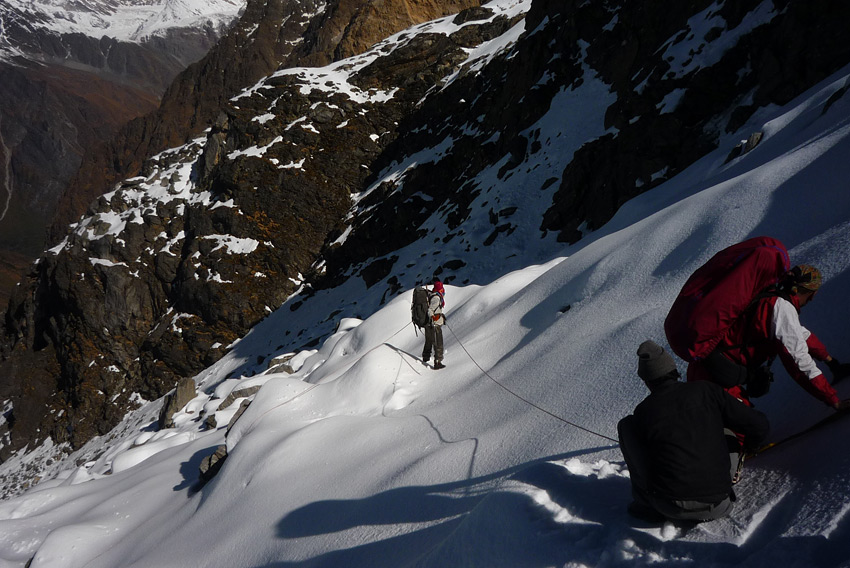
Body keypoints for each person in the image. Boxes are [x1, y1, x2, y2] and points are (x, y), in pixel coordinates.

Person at [618, 340, 769, 523]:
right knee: (727, 430)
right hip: (720, 502)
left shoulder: (643, 412)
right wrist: (752, 446)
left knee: (626, 426)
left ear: (647, 381)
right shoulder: (706, 390)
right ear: (674, 370)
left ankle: (645, 503)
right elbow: (759, 425)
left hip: (669, 507)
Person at [687, 265, 850, 410]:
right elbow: (798, 360)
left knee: (744, 422)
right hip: (716, 377)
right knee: (745, 429)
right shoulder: (782, 309)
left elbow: (801, 336)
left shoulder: (769, 297)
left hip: (710, 367)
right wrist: (833, 400)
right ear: (811, 294)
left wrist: (832, 363)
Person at [422, 280, 446, 369]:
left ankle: (425, 359)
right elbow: (430, 310)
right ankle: (437, 362)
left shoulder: (432, 295)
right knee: (438, 343)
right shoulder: (436, 297)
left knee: (429, 341)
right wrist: (433, 317)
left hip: (429, 324)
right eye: (442, 288)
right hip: (435, 324)